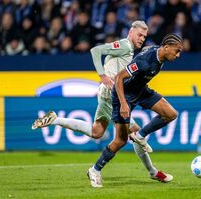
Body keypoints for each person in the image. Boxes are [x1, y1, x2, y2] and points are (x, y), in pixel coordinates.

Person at [31, 20, 173, 188]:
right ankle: (150, 172)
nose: (142, 38)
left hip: (106, 94)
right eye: (139, 35)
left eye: (144, 36)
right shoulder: (125, 46)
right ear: (131, 32)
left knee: (97, 131)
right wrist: (102, 75)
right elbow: (96, 50)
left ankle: (55, 119)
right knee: (133, 133)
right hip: (110, 94)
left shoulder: (130, 49)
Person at [89, 33, 183, 187]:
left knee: (171, 114)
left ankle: (140, 136)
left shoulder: (158, 54)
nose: (178, 55)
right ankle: (95, 170)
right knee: (121, 140)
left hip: (141, 91)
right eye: (177, 51)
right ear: (166, 47)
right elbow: (119, 78)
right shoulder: (144, 61)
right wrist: (124, 104)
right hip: (123, 95)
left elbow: (147, 48)